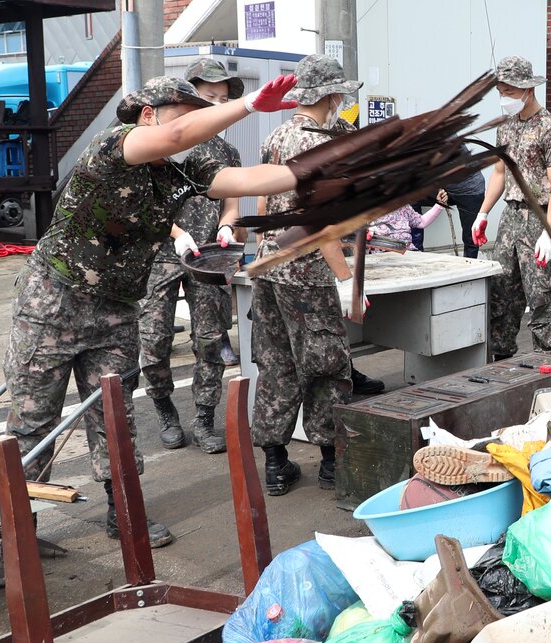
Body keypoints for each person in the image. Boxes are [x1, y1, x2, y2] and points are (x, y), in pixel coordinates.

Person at [4, 73, 300, 547]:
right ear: (149, 114)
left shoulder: (177, 173)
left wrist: (334, 169)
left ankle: (124, 513)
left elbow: (247, 179)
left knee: (116, 417)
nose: (201, 123)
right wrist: (248, 107)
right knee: (34, 417)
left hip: (117, 310)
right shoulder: (112, 146)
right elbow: (178, 134)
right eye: (190, 111)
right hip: (54, 302)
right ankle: (18, 526)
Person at [250, 54, 363, 497]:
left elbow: (260, 201)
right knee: (327, 366)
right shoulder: (320, 148)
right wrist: (345, 278)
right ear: (332, 96)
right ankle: (333, 464)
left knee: (276, 363)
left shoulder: (278, 135)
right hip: (309, 274)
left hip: (269, 266)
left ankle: (276, 463)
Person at [137, 58, 243, 456]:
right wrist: (178, 234)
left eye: (223, 98)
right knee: (155, 337)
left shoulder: (225, 150)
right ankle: (165, 409)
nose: (217, 104)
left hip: (210, 257)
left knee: (211, 339)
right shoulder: (161, 141)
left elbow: (231, 201)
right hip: (163, 254)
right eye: (208, 96)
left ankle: (203, 416)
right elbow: (143, 205)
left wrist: (227, 226)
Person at [471, 56, 551, 359]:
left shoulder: (550, 129)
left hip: (538, 218)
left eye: (510, 92)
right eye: (501, 91)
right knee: (501, 296)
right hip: (510, 220)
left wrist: (549, 233)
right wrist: (483, 212)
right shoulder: (505, 127)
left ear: (528, 90)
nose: (505, 98)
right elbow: (500, 173)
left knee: (541, 299)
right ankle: (499, 364)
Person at [370, 190, 450, 249]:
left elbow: (421, 222)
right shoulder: (369, 211)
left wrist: (439, 205)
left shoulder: (404, 207)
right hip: (383, 253)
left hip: (408, 251)